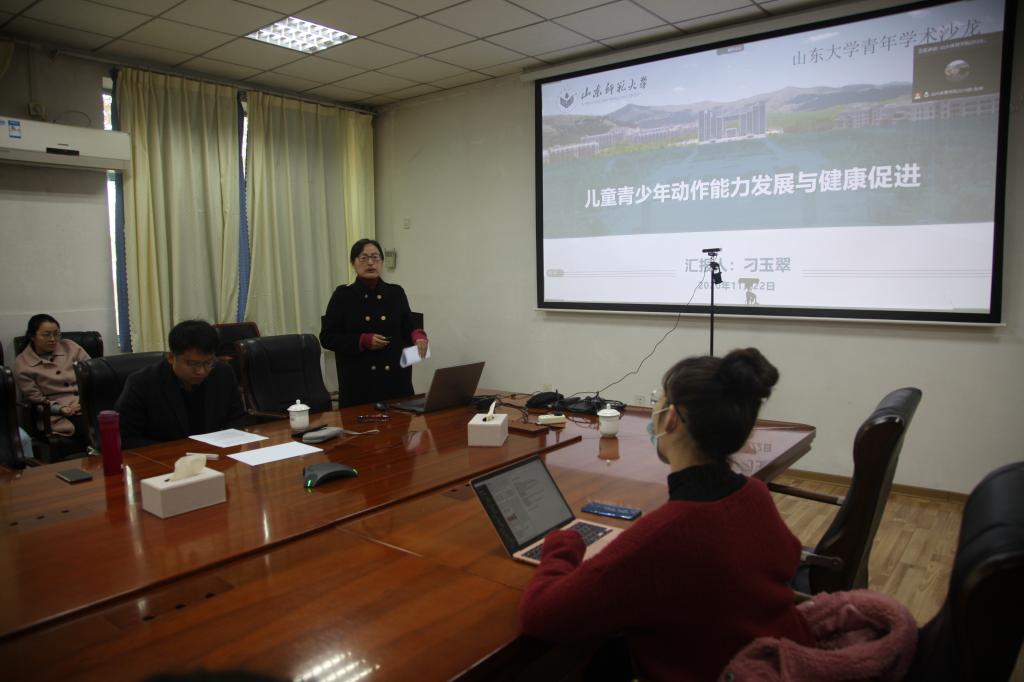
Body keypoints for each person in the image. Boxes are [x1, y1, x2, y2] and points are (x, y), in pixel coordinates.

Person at [518, 348, 814, 682]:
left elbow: (541, 615)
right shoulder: (755, 494)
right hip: (783, 659)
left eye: (658, 401)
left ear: (671, 418)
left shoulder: (663, 537)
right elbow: (785, 558)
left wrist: (563, 542)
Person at [319, 238, 428, 407]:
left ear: (382, 262)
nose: (370, 263)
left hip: (396, 383)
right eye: (364, 258)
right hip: (360, 386)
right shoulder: (343, 296)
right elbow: (327, 337)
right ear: (353, 263)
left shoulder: (396, 292)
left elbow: (409, 326)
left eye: (375, 257)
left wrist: (418, 336)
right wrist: (361, 341)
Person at [115, 320, 245, 448]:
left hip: (215, 454)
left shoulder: (223, 373)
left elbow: (237, 419)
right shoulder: (142, 383)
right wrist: (178, 451)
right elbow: (125, 437)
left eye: (208, 363)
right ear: (171, 357)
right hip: (164, 458)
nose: (201, 371)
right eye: (193, 364)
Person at [14, 314, 90, 446]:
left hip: (87, 401)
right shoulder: (23, 363)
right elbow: (36, 399)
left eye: (56, 334)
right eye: (46, 335)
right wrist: (60, 409)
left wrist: (84, 401)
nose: (53, 339)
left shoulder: (70, 347)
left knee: (115, 419)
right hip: (58, 414)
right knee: (91, 427)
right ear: (32, 336)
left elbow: (92, 372)